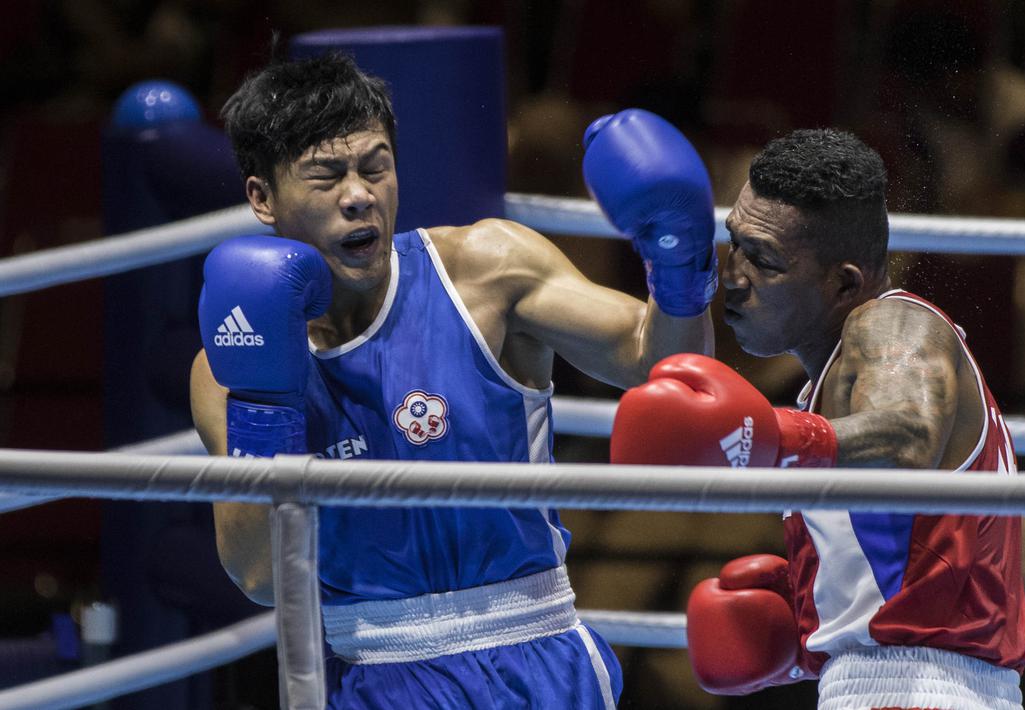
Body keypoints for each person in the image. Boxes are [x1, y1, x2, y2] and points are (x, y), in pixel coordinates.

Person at [189, 51, 716, 709]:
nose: (358, 195)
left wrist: (680, 266)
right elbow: (262, 575)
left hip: (536, 656)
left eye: (374, 166)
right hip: (375, 670)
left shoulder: (485, 270)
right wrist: (268, 404)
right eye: (325, 176)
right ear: (262, 197)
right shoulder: (226, 369)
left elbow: (670, 367)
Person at [611, 129, 1025, 709]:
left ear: (844, 282)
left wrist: (764, 440)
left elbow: (910, 435)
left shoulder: (894, 326)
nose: (734, 277)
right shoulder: (840, 389)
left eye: (764, 260)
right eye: (735, 244)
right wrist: (809, 635)